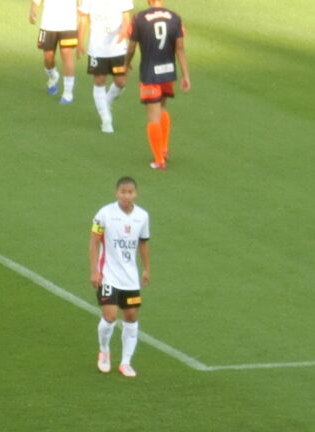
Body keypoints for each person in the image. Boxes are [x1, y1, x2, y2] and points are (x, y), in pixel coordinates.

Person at [89, 176, 150, 378]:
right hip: (108, 276)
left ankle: (126, 362)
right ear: (117, 193)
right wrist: (94, 271)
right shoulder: (105, 213)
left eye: (130, 192)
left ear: (136, 194)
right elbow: (94, 241)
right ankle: (104, 351)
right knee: (110, 317)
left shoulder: (142, 216)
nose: (126, 196)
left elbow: (143, 243)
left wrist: (146, 269)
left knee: (131, 317)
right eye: (123, 192)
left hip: (130, 279)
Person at [126, 0, 190, 170]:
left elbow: (131, 47)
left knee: (153, 116)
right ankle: (164, 148)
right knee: (162, 108)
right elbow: (180, 48)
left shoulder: (139, 18)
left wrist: (126, 64)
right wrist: (185, 75)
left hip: (150, 73)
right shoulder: (175, 17)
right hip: (168, 71)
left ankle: (159, 160)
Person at [77, 0, 132, 133]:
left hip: (117, 47)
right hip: (97, 47)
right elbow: (83, 18)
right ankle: (106, 119)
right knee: (99, 80)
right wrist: (80, 41)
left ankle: (106, 102)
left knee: (121, 82)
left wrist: (124, 29)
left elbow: (126, 15)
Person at [30, 0, 80, 104]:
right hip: (47, 24)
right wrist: (33, 9)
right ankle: (53, 76)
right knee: (48, 57)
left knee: (67, 56)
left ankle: (68, 93)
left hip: (69, 25)